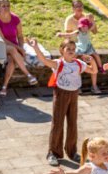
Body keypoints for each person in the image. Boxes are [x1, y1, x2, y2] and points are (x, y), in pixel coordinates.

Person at [30, 38, 97, 166]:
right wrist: (35, 47)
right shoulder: (58, 63)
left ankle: (72, 152)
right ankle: (53, 153)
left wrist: (92, 60)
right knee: (58, 123)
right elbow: (44, 60)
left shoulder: (78, 63)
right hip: (61, 94)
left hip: (74, 94)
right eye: (68, 49)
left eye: (73, 49)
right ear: (62, 51)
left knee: (73, 123)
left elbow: (94, 71)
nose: (71, 51)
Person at [0, 0, 38, 94]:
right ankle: (28, 74)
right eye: (3, 6)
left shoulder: (15, 18)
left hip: (14, 47)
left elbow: (20, 36)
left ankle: (4, 86)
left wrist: (21, 47)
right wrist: (19, 49)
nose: (6, 8)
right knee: (12, 49)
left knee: (11, 60)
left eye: (8, 6)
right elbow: (2, 39)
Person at [57, 17, 102, 94]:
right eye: (82, 26)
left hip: (88, 51)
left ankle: (94, 86)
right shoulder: (78, 32)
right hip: (80, 52)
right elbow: (69, 34)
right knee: (77, 67)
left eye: (85, 26)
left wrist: (93, 20)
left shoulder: (88, 31)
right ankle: (78, 87)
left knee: (93, 67)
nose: (84, 28)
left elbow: (93, 26)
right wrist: (61, 34)